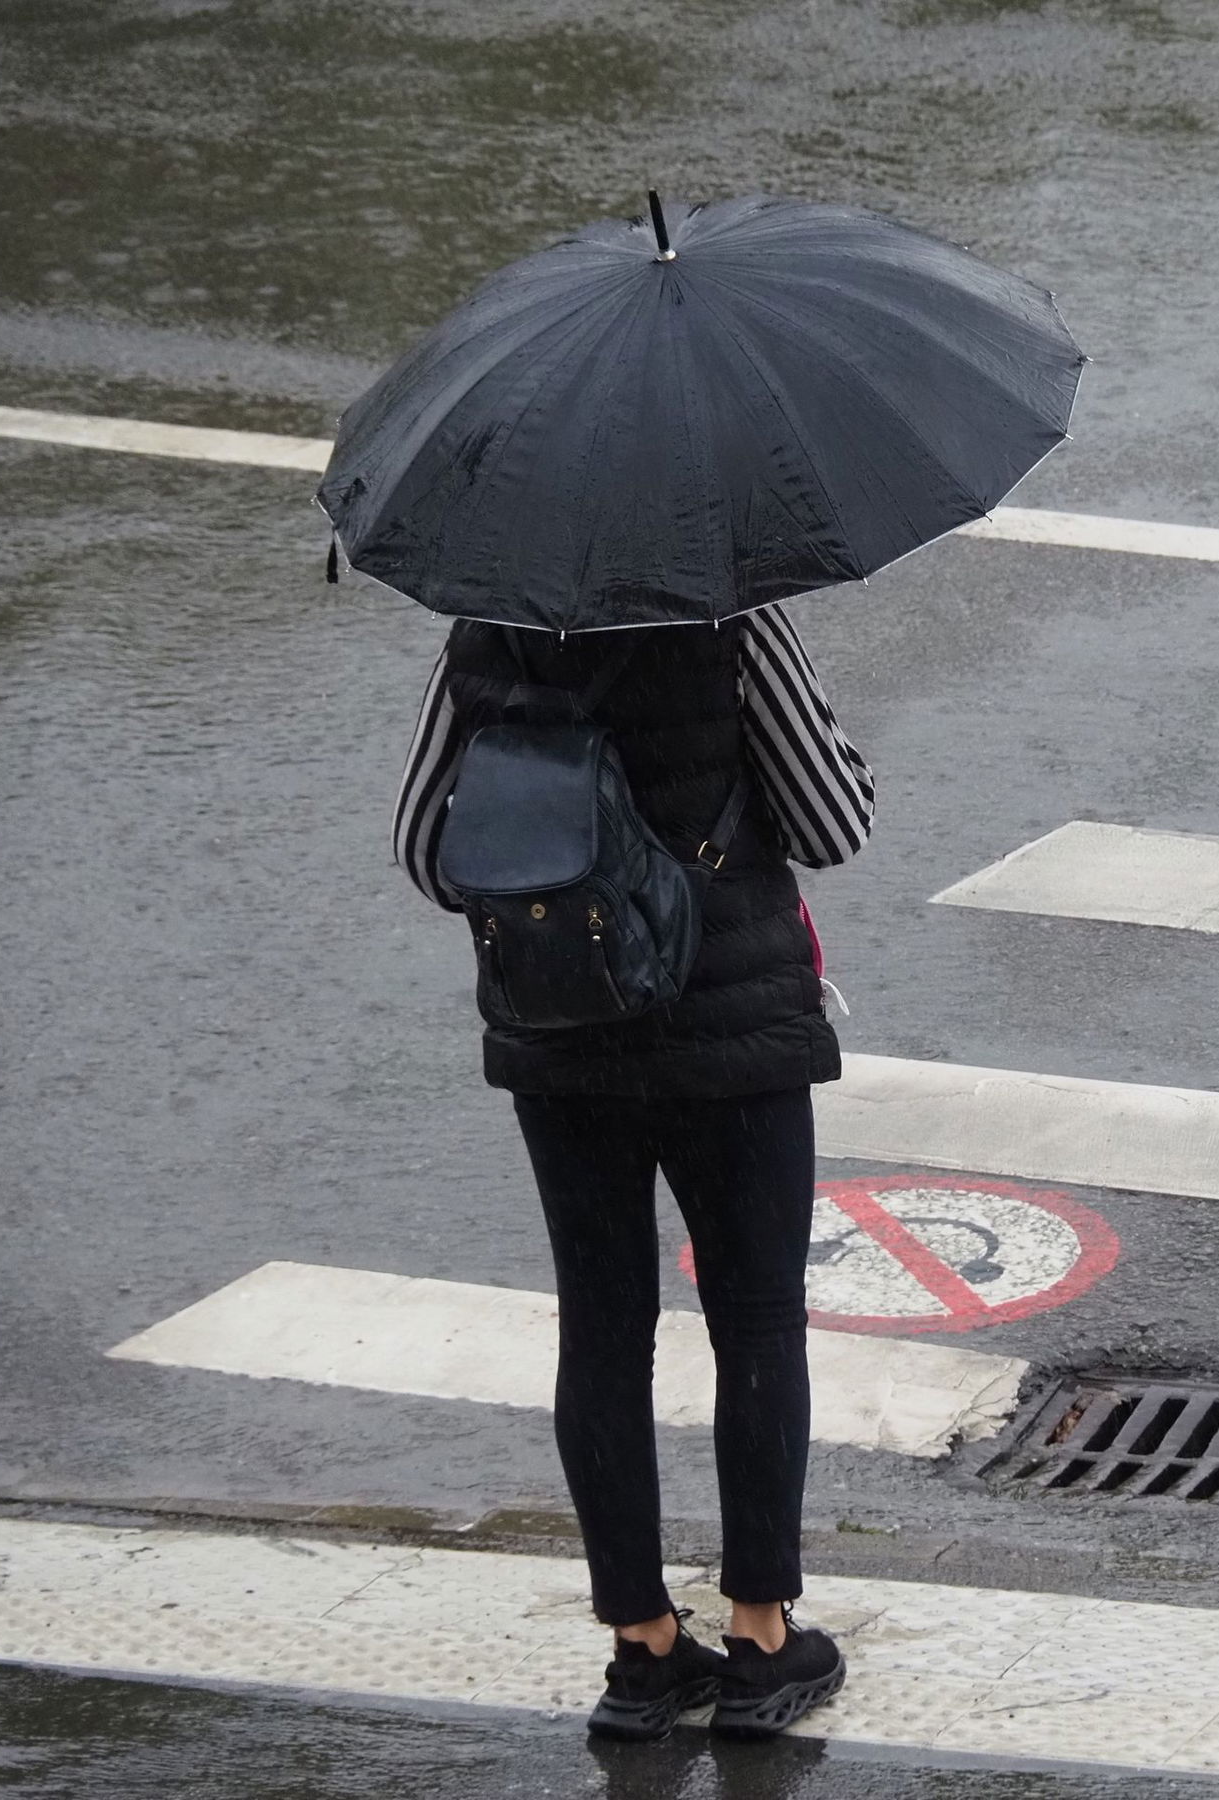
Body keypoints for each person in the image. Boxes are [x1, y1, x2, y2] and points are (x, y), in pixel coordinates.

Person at [392, 602, 873, 1741]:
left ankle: (643, 1648)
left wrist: (574, 884)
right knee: (757, 1321)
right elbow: (830, 822)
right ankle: (761, 1637)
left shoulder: (487, 628)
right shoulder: (732, 616)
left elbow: (425, 850)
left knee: (602, 1328)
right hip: (730, 1023)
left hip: (563, 1027)